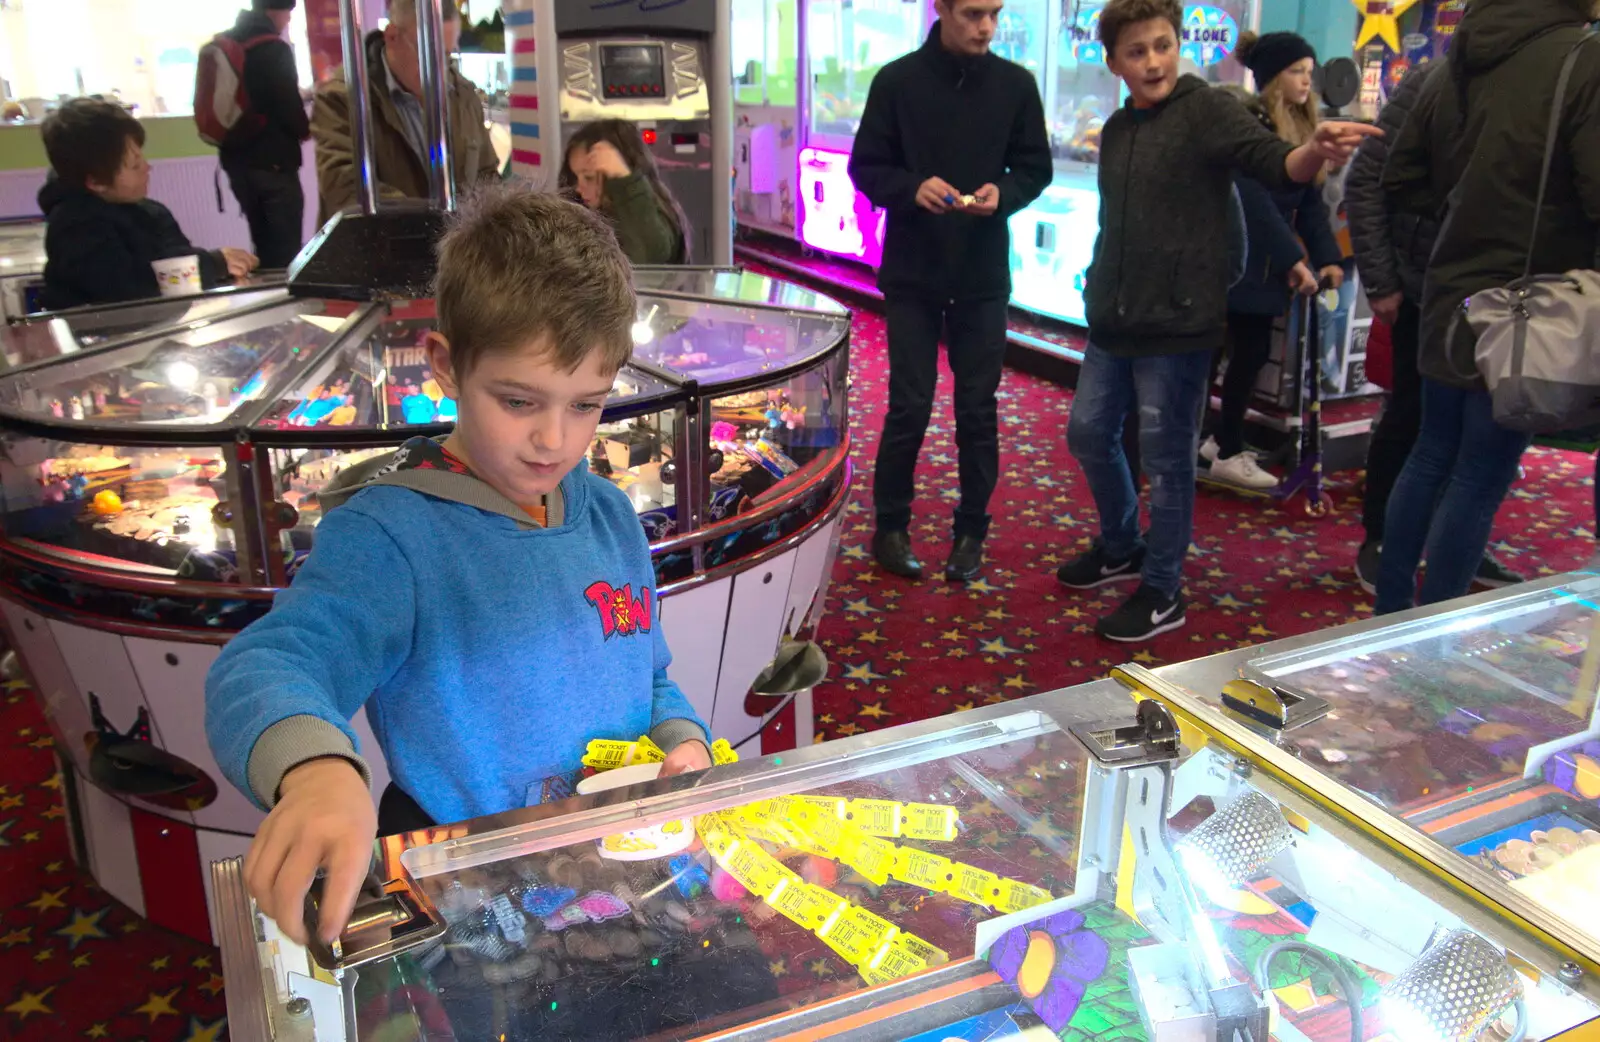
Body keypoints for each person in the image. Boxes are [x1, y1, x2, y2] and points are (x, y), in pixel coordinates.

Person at [204, 188, 712, 947]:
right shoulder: (390, 535)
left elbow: (648, 673)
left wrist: (684, 741)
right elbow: (271, 662)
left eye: (586, 405)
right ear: (446, 365)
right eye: (518, 401)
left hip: (622, 866)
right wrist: (315, 769)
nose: (552, 439)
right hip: (477, 893)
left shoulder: (608, 515)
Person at [1053, 0, 1377, 642]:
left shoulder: (1206, 109)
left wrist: (1312, 149)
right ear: (1114, 62)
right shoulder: (1117, 129)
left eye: (1164, 45)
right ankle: (1122, 544)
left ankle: (1163, 589)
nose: (1154, 61)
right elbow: (1117, 221)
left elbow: (1272, 165)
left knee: (1171, 462)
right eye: (1138, 51)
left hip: (1178, 328)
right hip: (1113, 320)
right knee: (1089, 433)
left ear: (1179, 45)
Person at [1376, 0, 1600, 614]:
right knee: (1479, 472)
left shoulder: (1458, 58)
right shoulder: (1583, 59)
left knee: (1431, 453)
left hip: (1451, 290)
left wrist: (1467, 208)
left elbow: (1401, 174)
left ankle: (1388, 619)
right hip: (1533, 304)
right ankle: (1431, 639)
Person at [848, 0, 1052, 584]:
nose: (985, 26)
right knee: (909, 405)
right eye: (972, 13)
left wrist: (1003, 193)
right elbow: (866, 167)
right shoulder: (898, 81)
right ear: (940, 8)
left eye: (993, 13)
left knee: (977, 409)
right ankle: (890, 527)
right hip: (913, 271)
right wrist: (912, 187)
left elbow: (1035, 167)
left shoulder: (1016, 85)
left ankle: (970, 532)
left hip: (982, 273)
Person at [1344, 60, 1524, 595]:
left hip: (1509, 295)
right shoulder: (1437, 79)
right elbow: (1367, 180)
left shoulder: (1557, 71)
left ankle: (1454, 546)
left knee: (1475, 452)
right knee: (1419, 428)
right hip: (1431, 291)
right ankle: (1383, 545)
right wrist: (1382, 281)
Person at [1200, 35, 1344, 492]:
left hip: (1269, 262)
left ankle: (1216, 439)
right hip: (1241, 256)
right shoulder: (1250, 123)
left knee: (1244, 352)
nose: (1307, 80)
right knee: (1221, 353)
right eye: (1297, 70)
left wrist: (1328, 257)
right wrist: (1294, 259)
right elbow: (1253, 200)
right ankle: (1222, 448)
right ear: (1272, 78)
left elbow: (1312, 203)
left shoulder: (1304, 127)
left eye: (1309, 69)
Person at [38, 98, 258, 311]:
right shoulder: (73, 228)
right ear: (95, 181)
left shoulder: (150, 212)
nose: (147, 167)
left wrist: (215, 266)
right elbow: (128, 286)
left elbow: (174, 257)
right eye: (134, 165)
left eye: (141, 157)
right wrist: (211, 264)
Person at [311, 0, 499, 222]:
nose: (439, 69)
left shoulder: (463, 94)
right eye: (429, 54)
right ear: (392, 36)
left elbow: (487, 176)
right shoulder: (344, 98)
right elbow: (343, 187)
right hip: (376, 247)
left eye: (448, 55)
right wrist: (433, 222)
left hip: (453, 249)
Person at [214, 0, 310, 269]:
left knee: (264, 245)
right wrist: (305, 129)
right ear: (274, 11)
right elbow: (287, 104)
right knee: (287, 253)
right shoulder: (272, 48)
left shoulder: (229, 42)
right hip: (275, 164)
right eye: (287, 14)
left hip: (238, 164)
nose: (287, 21)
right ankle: (286, 307)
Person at [560, 119, 690, 265]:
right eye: (576, 177)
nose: (579, 187)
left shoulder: (655, 217)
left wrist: (624, 181)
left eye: (589, 177)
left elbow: (646, 256)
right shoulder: (584, 222)